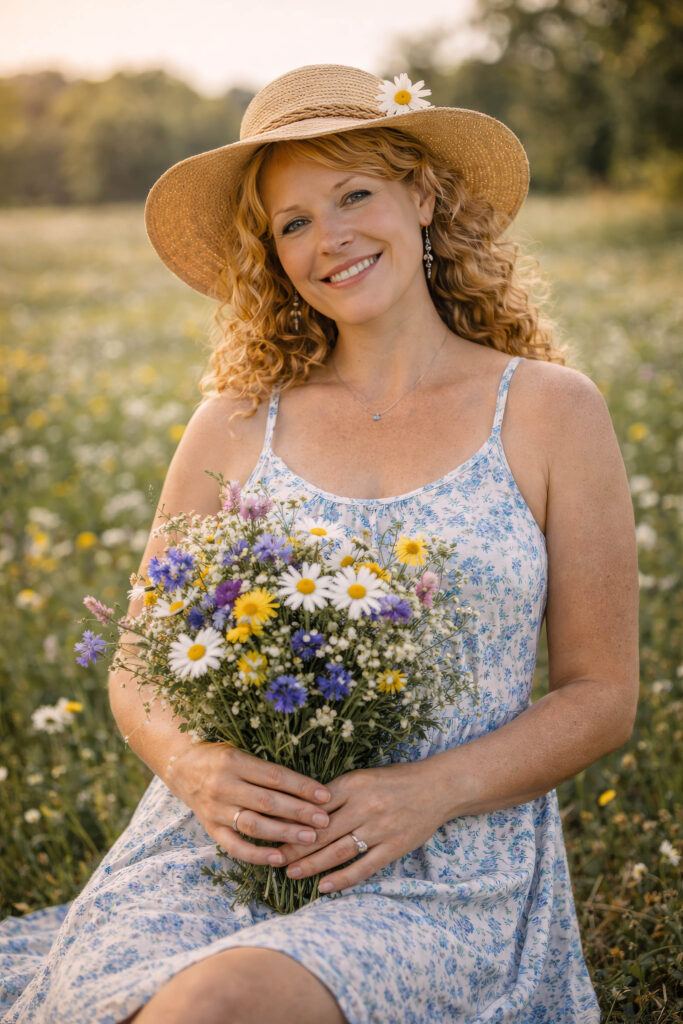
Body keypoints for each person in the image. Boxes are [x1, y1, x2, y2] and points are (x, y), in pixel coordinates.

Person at [0, 63, 638, 1024]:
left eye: (353, 195)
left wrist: (427, 792)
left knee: (219, 1004)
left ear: (420, 195)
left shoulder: (549, 411)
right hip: (217, 845)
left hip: (443, 866)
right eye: (294, 222)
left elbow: (600, 696)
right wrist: (196, 771)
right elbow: (137, 655)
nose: (328, 238)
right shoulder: (234, 422)